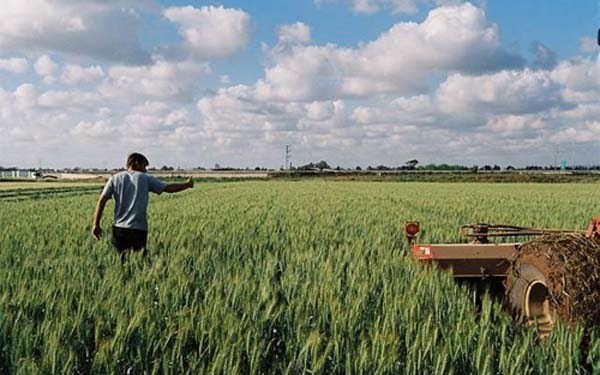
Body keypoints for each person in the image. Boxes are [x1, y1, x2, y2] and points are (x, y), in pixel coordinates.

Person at [92, 153, 193, 262]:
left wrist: (96, 224)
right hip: (138, 229)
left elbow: (102, 200)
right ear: (136, 163)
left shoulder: (114, 179)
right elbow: (168, 188)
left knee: (120, 262)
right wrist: (187, 184)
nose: (145, 170)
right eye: (144, 166)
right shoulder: (145, 178)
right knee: (139, 263)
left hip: (119, 229)